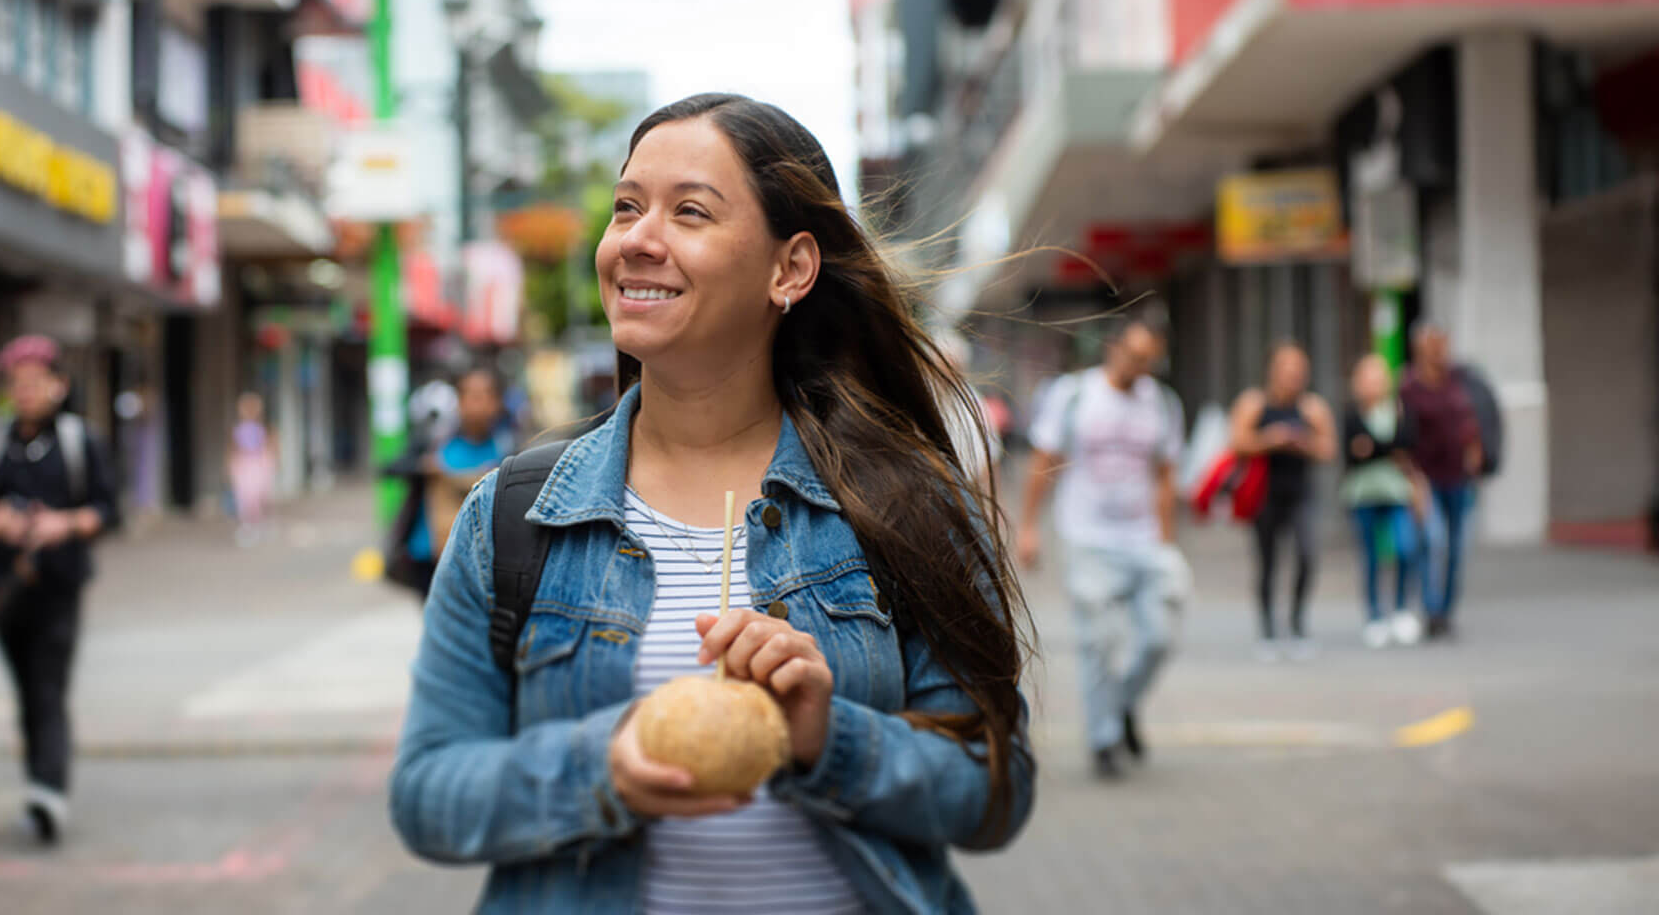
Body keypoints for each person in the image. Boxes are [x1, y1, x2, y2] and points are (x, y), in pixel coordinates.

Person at [389, 94, 1035, 912]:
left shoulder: (905, 504)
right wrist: (607, 764)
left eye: (689, 211)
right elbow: (429, 793)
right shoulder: (513, 517)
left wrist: (822, 736)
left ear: (790, 269)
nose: (637, 240)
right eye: (627, 207)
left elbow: (995, 788)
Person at [0, 335, 120, 844]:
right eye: (17, 383)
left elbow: (110, 510)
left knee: (49, 687)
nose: (26, 392)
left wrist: (64, 525)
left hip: (59, 584)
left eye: (36, 382)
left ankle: (48, 798)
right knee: (26, 690)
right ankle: (40, 788)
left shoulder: (78, 441)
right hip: (4, 588)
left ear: (58, 386)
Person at [1018, 319, 1187, 780]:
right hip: (1087, 537)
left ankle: (1122, 704)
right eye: (1135, 357)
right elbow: (1043, 461)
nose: (1142, 368)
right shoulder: (1074, 396)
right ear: (1113, 349)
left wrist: (1166, 542)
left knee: (1158, 637)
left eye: (1149, 360)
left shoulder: (1163, 403)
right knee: (1098, 642)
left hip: (1144, 538)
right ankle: (1104, 740)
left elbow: (1167, 476)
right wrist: (1029, 526)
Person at [1227, 341, 1337, 660]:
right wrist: (1270, 439)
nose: (1292, 377)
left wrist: (1302, 442)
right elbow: (1236, 441)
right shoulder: (1254, 403)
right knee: (1267, 563)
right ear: (1272, 371)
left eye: (1298, 371)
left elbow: (1328, 450)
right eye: (1286, 370)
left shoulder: (1312, 408)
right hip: (1264, 495)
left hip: (1299, 493)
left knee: (1306, 555)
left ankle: (1298, 624)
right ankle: (1268, 630)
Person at [1400, 323, 1484, 639]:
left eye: (1442, 344)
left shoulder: (1458, 380)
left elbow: (1469, 421)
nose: (1439, 351)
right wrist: (1412, 479)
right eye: (1432, 344)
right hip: (1427, 477)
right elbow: (1403, 437)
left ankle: (1447, 611)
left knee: (1458, 548)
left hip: (1458, 477)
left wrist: (1475, 451)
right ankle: (1432, 609)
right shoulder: (1409, 387)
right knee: (1434, 541)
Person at [1342, 354, 1429, 649]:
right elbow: (1353, 453)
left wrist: (1373, 448)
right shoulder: (1353, 414)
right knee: (1370, 557)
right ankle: (1375, 615)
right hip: (1363, 494)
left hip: (1395, 492)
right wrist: (1387, 450)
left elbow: (1406, 444)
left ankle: (1402, 609)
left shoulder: (1400, 411)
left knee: (1405, 548)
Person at [423, 366, 514, 562]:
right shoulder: (440, 450)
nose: (477, 405)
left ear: (497, 402)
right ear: (459, 402)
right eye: (471, 396)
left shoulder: (507, 452)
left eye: (483, 396)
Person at [227, 392, 279, 545]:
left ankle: (261, 523)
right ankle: (248, 525)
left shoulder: (265, 428)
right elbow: (233, 449)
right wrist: (232, 466)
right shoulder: (237, 429)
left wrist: (270, 463)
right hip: (243, 466)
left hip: (259, 465)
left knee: (260, 496)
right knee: (245, 497)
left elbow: (271, 447)